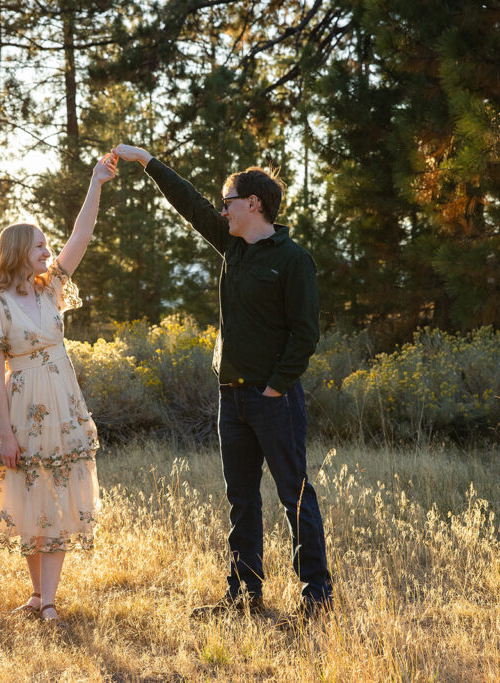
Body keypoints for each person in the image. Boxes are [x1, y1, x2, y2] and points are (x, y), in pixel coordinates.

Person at [113, 143, 333, 621]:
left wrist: (275, 387)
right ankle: (243, 596)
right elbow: (187, 201)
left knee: (294, 495)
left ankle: (317, 598)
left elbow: (305, 334)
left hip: (273, 399)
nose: (221, 207)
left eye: (228, 199)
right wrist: (147, 161)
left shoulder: (293, 259)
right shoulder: (232, 245)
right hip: (229, 398)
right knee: (241, 499)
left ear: (253, 203)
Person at [0, 153, 117, 626]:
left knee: (57, 496)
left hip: (63, 405)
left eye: (45, 245)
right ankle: (38, 596)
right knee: (31, 498)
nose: (46, 251)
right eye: (37, 246)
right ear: (16, 252)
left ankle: (48, 600)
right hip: (23, 409)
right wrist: (5, 433)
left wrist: (96, 182)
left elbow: (82, 236)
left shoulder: (51, 287)